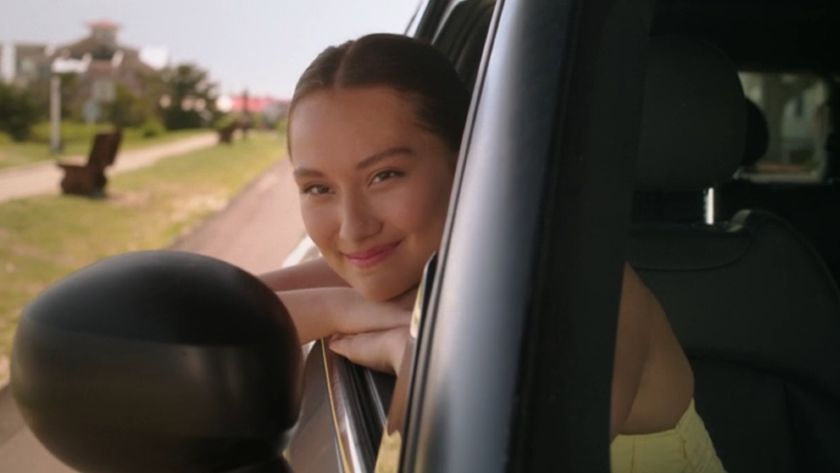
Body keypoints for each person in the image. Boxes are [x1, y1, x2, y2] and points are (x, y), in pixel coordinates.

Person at [260, 33, 726, 472]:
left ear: (469, 160)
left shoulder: (586, 287)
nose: (352, 227)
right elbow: (219, 310)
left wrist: (411, 356)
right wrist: (342, 308)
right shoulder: (410, 258)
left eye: (385, 175)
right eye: (318, 187)